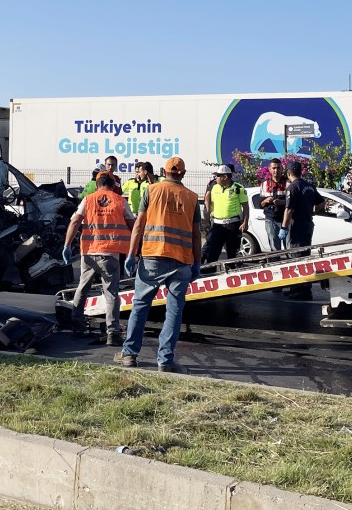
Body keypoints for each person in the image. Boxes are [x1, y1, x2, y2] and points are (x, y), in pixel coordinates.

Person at [116, 156, 201, 373]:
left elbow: (138, 226)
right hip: (181, 260)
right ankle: (165, 361)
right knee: (174, 311)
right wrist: (197, 262)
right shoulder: (192, 197)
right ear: (183, 173)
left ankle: (129, 354)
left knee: (141, 305)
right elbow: (196, 235)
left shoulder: (151, 191)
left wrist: (131, 254)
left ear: (164, 172)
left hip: (152, 256)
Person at [63, 172, 134, 345]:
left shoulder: (88, 200)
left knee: (82, 288)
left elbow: (74, 222)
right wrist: (134, 253)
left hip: (89, 252)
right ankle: (112, 332)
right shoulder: (120, 201)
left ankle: (77, 325)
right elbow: (134, 226)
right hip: (111, 254)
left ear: (97, 184)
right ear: (113, 185)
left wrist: (67, 245)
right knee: (110, 293)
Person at [280, 159, 325, 300]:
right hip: (307, 224)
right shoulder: (309, 186)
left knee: (296, 258)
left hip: (297, 225)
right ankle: (295, 288)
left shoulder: (293, 187)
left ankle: (303, 289)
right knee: (303, 256)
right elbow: (322, 202)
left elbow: (289, 210)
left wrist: (283, 227)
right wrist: (312, 210)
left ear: (288, 173)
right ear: (301, 172)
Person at [202, 163, 248, 264]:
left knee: (232, 254)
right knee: (212, 253)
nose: (216, 178)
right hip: (217, 225)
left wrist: (245, 222)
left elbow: (245, 206)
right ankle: (210, 275)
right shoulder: (214, 187)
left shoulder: (238, 188)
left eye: (218, 176)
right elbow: (209, 204)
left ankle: (232, 275)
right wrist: (206, 220)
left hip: (233, 225)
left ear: (225, 177)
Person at [256, 158, 287, 252]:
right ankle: (275, 265)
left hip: (285, 219)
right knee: (274, 248)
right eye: (274, 168)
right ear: (269, 169)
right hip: (270, 220)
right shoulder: (264, 184)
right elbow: (260, 204)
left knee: (289, 248)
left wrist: (281, 202)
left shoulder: (288, 183)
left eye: (278, 168)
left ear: (282, 168)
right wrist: (266, 201)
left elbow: (294, 202)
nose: (276, 170)